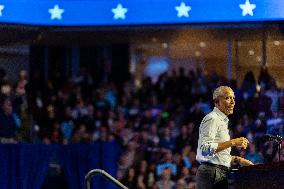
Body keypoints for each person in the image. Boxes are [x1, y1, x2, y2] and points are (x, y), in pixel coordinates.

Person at [196, 86, 253, 189]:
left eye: (233, 98)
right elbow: (204, 149)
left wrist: (238, 160)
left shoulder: (222, 121)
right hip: (211, 173)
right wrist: (233, 142)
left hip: (219, 173)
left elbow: (217, 156)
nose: (232, 102)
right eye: (228, 98)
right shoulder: (212, 119)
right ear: (217, 102)